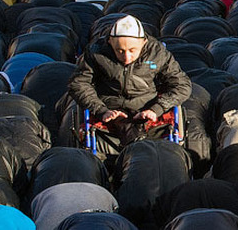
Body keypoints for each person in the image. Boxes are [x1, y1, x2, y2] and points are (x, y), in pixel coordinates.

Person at [68, 15, 193, 156]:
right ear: (110, 42)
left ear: (144, 43)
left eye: (132, 50)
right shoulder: (95, 52)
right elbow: (78, 83)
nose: (127, 57)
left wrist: (156, 109)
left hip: (147, 106)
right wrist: (101, 110)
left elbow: (182, 85)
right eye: (120, 51)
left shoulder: (157, 53)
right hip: (109, 106)